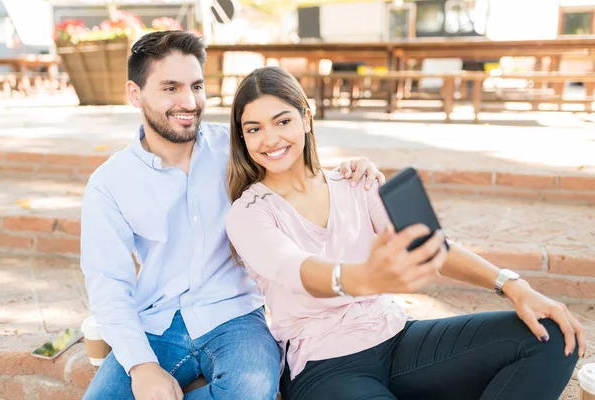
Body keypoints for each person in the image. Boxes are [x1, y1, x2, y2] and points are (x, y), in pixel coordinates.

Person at [225, 66, 585, 400]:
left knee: (550, 337)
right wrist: (361, 277)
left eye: (282, 121)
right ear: (242, 136)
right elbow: (295, 269)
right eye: (254, 128)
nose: (269, 139)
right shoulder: (249, 213)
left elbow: (430, 248)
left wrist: (513, 285)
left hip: (397, 339)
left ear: (306, 118)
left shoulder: (355, 183)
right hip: (323, 366)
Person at [80, 31, 383, 400]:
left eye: (196, 86)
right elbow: (107, 284)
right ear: (135, 94)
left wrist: (352, 167)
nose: (189, 102)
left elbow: (293, 162)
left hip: (235, 314)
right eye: (171, 88)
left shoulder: (237, 145)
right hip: (155, 324)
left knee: (251, 390)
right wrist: (142, 367)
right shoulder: (109, 183)